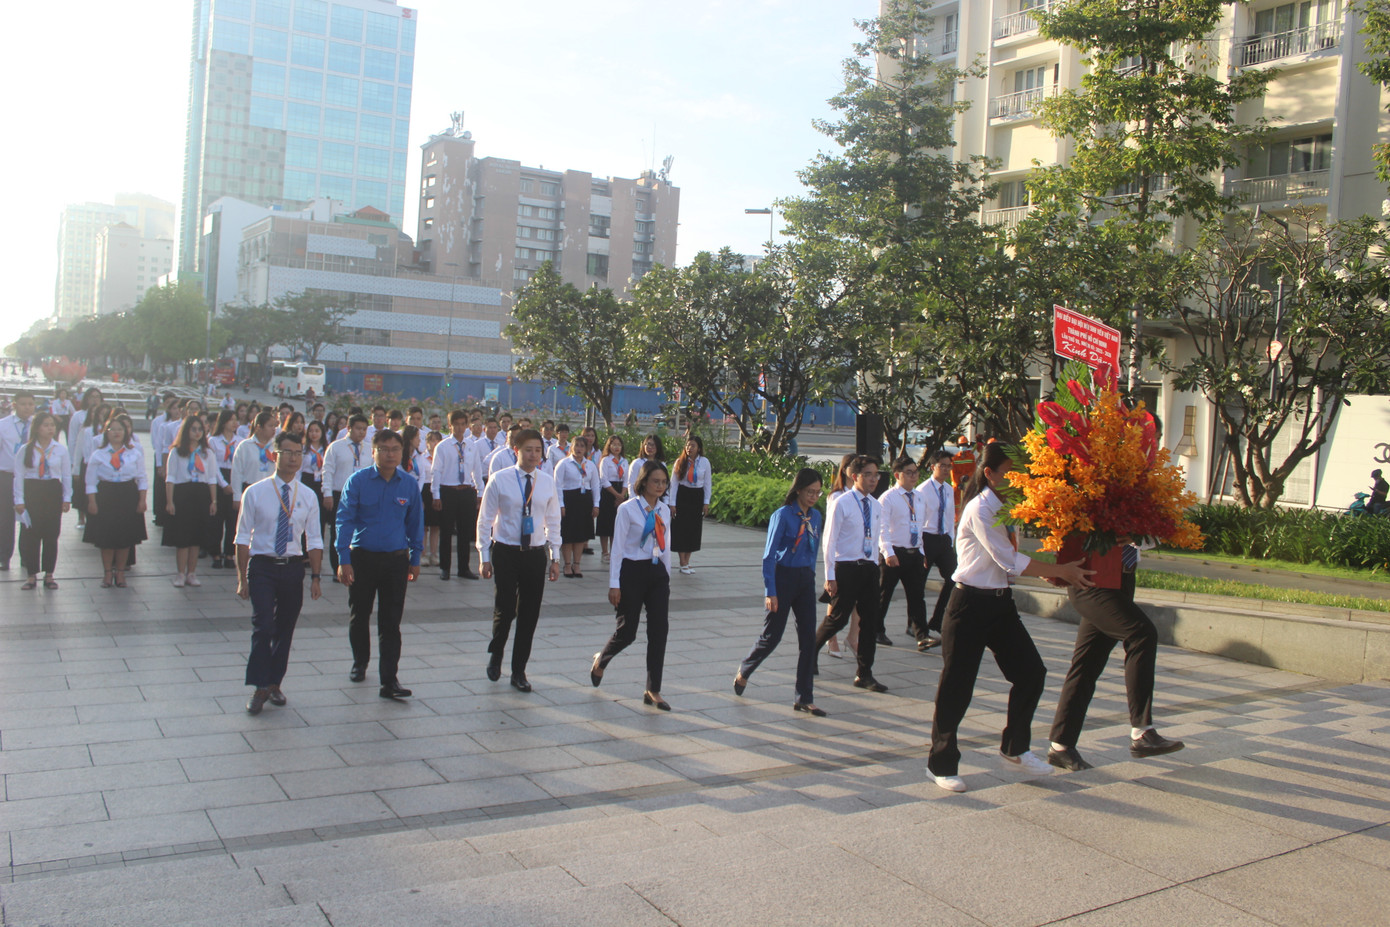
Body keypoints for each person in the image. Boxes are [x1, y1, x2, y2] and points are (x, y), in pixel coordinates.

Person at [927, 442, 1094, 793]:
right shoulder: (980, 509)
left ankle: (1015, 749)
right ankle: (940, 764)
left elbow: (1012, 562)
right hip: (968, 605)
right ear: (989, 474)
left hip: (1000, 604)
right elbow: (1008, 560)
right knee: (957, 686)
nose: (1018, 480)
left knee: (1031, 673)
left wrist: (1051, 569)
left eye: (1021, 473)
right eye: (1010, 473)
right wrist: (1060, 570)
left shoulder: (1009, 506)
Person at [236, 430, 324, 713]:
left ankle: (275, 682)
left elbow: (314, 539)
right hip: (262, 566)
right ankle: (260, 686)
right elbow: (241, 537)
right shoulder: (255, 492)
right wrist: (241, 578)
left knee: (285, 629)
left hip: (292, 568)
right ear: (274, 455)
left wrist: (316, 577)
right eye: (287, 453)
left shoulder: (308, 495)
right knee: (263, 626)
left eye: (298, 453)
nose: (293, 458)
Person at [336, 429, 424, 698]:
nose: (390, 454)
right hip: (362, 558)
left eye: (395, 449)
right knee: (359, 614)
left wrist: (415, 558)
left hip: (396, 561)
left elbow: (415, 523)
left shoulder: (408, 484)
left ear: (402, 452)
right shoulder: (358, 481)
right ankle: (360, 662)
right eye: (384, 449)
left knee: (391, 621)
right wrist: (343, 559)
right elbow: (344, 520)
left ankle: (389, 680)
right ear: (373, 452)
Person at [733, 468, 826, 716]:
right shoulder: (783, 515)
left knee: (808, 639)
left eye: (818, 492)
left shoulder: (815, 516)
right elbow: (769, 556)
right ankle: (746, 668)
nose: (814, 496)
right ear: (798, 489)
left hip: (805, 579)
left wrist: (811, 575)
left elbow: (814, 548)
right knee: (772, 636)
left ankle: (804, 697)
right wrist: (770, 590)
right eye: (810, 491)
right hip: (783, 578)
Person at [475, 428, 561, 691]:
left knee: (529, 613)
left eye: (538, 450)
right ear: (516, 450)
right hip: (506, 551)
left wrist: (555, 556)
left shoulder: (546, 481)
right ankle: (496, 652)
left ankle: (518, 670)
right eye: (528, 450)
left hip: (534, 554)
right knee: (505, 607)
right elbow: (485, 520)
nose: (533, 455)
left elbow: (553, 521)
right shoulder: (500, 479)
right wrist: (484, 555)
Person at [590, 458, 674, 709]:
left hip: (657, 571)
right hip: (632, 571)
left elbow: (666, 545)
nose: (660, 486)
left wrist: (667, 577)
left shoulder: (664, 510)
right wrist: (614, 583)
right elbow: (617, 549)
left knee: (659, 630)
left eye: (664, 482)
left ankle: (653, 689)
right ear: (644, 482)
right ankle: (602, 659)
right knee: (628, 631)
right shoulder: (627, 509)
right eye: (655, 481)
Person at [814, 456, 890, 692]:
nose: (873, 480)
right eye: (868, 475)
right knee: (838, 618)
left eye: (876, 475)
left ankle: (864, 673)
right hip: (846, 567)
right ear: (855, 476)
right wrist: (830, 575)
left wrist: (878, 560)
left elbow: (876, 536)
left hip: (868, 567)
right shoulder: (842, 502)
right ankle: (809, 652)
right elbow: (829, 540)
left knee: (870, 621)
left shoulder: (876, 505)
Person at [84, 414, 148, 588]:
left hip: (128, 494)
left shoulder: (134, 453)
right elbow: (90, 481)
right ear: (106, 432)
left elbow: (142, 478)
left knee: (124, 537)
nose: (116, 432)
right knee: (106, 538)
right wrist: (92, 501)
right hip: (106, 495)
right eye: (112, 429)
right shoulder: (98, 454)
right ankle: (107, 573)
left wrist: (142, 500)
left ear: (126, 432)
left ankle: (120, 572)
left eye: (120, 429)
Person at [12, 411, 71, 590]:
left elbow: (66, 475)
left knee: (51, 534)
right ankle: (31, 575)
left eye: (52, 425)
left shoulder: (60, 449)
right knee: (31, 533)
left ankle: (49, 574)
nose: (50, 428)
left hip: (52, 490)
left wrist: (67, 497)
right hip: (33, 490)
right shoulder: (26, 449)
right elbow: (19, 476)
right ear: (37, 428)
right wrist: (19, 500)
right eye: (46, 425)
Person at [877, 457, 930, 653]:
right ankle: (877, 630)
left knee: (917, 596)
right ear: (897, 475)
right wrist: (888, 552)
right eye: (909, 472)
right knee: (884, 594)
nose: (913, 476)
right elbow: (882, 528)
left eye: (915, 472)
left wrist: (922, 551)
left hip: (914, 552)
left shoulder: (919, 497)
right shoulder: (888, 498)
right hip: (894, 552)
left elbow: (919, 526)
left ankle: (922, 635)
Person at [164, 415, 221, 588]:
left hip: (201, 494)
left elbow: (211, 478)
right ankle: (180, 573)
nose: (197, 433)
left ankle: (192, 573)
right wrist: (170, 501)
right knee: (183, 538)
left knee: (196, 537)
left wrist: (213, 501)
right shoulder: (176, 452)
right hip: (183, 494)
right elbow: (170, 478)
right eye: (193, 429)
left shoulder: (207, 453)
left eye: (200, 429)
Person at [431, 410, 480, 580]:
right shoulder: (443, 446)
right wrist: (436, 495)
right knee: (446, 531)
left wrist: (479, 490)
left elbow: (477, 469)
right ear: (450, 426)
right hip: (448, 490)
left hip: (466, 491)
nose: (459, 428)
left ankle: (463, 568)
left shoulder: (472, 445)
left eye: (462, 424)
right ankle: (445, 568)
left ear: (467, 426)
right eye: (456, 424)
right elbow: (436, 471)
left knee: (465, 532)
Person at [916, 450, 957, 650]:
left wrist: (951, 540)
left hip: (943, 539)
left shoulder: (949, 489)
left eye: (949, 466)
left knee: (954, 578)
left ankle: (937, 620)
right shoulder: (923, 490)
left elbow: (950, 516)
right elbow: (917, 520)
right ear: (933, 467)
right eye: (943, 466)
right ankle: (917, 626)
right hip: (927, 538)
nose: (947, 469)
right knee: (918, 585)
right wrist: (920, 548)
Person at [321, 415, 371, 578]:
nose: (361, 432)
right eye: (358, 428)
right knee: (339, 532)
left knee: (360, 531)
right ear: (349, 428)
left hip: (362, 496)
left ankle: (357, 566)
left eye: (364, 429)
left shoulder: (369, 448)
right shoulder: (336, 447)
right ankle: (337, 568)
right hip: (339, 494)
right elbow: (327, 471)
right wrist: (327, 493)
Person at [0, 389, 37, 571]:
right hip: (7, 476)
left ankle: (27, 557)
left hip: (30, 479)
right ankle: (4, 557)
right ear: (15, 405)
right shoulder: (3, 425)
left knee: (28, 518)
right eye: (23, 404)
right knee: (5, 519)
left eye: (30, 404)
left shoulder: (38, 425)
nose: (27, 408)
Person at [555, 436, 601, 578]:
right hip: (569, 500)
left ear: (586, 449)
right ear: (571, 447)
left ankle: (577, 564)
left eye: (582, 446)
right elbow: (557, 486)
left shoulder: (590, 465)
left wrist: (596, 504)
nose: (579, 449)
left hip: (584, 501)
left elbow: (595, 486)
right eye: (576, 445)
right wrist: (561, 505)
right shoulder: (564, 463)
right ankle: (567, 565)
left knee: (581, 535)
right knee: (568, 535)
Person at [670, 436, 711, 575]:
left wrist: (706, 502)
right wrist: (672, 503)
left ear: (698, 448)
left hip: (697, 496)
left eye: (693, 446)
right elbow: (674, 484)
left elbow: (707, 483)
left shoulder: (705, 462)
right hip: (683, 495)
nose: (689, 448)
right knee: (681, 529)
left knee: (693, 530)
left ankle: (687, 561)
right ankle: (682, 562)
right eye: (688, 445)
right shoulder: (680, 462)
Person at [208, 410, 242, 570]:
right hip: (219, 480)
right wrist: (223, 484)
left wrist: (234, 486)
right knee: (216, 520)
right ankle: (216, 554)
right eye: (231, 420)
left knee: (233, 519)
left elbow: (241, 465)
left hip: (235, 478)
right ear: (223, 422)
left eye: (236, 420)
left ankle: (229, 554)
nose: (235, 423)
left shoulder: (240, 441)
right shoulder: (213, 441)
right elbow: (213, 465)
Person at [596, 435, 628, 563]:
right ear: (609, 446)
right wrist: (617, 495)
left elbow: (627, 480)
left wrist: (622, 495)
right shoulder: (605, 460)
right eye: (614, 444)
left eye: (619, 445)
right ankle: (605, 552)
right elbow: (604, 480)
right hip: (608, 493)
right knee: (605, 523)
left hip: (621, 492)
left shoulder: (624, 461)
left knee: (616, 524)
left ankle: (614, 551)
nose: (616, 447)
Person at [422, 429, 444, 566]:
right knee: (424, 526)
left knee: (436, 526)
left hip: (438, 490)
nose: (434, 443)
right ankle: (422, 554)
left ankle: (434, 554)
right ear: (427, 443)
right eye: (432, 440)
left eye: (437, 440)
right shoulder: (421, 458)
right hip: (425, 490)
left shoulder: (442, 457)